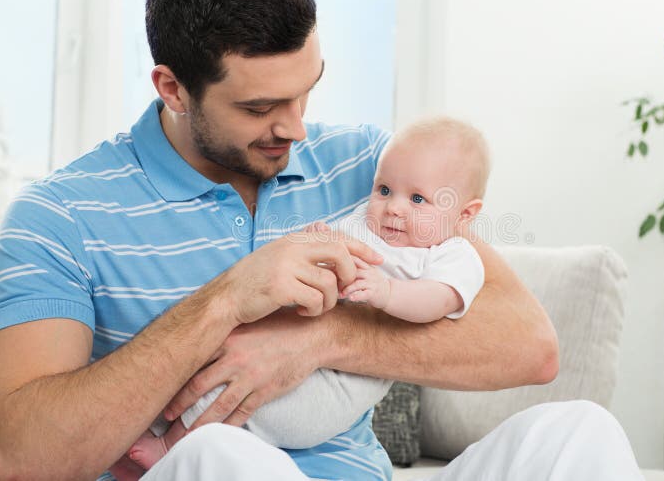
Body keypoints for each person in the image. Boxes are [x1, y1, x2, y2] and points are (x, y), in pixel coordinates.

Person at [0, 0, 644, 480]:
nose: (296, 129)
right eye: (258, 108)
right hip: (219, 469)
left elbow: (529, 346)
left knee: (579, 433)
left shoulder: (373, 172)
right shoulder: (59, 216)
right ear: (172, 88)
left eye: (308, 92)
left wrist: (323, 339)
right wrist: (224, 301)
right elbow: (18, 460)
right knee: (221, 457)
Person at [123, 117, 490, 475]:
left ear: (464, 215)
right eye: (384, 190)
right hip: (289, 352)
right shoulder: (367, 222)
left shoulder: (453, 256)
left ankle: (171, 446)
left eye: (418, 199)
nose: (393, 207)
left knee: (243, 402)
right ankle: (160, 441)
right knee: (216, 369)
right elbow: (326, 242)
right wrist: (312, 239)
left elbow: (438, 301)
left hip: (338, 387)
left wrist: (388, 292)